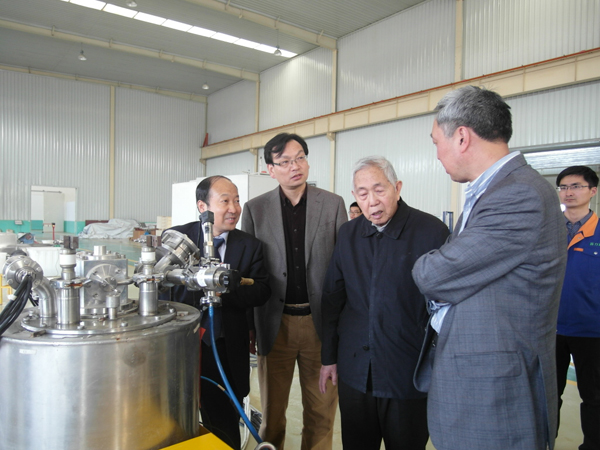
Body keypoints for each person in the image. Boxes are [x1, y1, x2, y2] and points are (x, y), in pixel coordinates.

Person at [411, 85, 567, 450]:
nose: (437, 154)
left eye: (436, 142)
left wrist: (431, 266)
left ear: (462, 137)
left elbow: (433, 275)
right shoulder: (492, 190)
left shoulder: (518, 194)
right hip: (479, 383)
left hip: (496, 394)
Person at [319, 156, 449, 450]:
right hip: (355, 372)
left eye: (379, 190)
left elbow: (448, 308)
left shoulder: (432, 232)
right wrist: (329, 357)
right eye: (363, 194)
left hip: (407, 374)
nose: (372, 201)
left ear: (397, 188)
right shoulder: (348, 234)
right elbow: (332, 299)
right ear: (354, 196)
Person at [242, 133, 347, 450]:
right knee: (273, 413)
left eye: (300, 157)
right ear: (270, 170)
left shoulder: (333, 204)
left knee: (321, 412)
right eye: (285, 161)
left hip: (321, 325)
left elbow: (344, 267)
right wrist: (250, 326)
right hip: (275, 324)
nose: (294, 166)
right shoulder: (255, 210)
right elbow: (249, 273)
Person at [162, 175, 271, 450]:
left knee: (223, 422)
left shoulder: (250, 245)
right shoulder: (179, 241)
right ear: (203, 207)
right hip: (183, 346)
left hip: (224, 347)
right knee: (175, 419)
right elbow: (162, 290)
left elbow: (262, 290)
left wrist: (225, 290)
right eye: (225, 201)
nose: (234, 208)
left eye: (237, 201)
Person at [555, 165, 600, 450]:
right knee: (548, 396)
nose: (568, 192)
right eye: (563, 187)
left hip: (591, 330)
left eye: (576, 186)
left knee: (594, 397)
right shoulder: (547, 231)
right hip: (550, 329)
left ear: (592, 191)